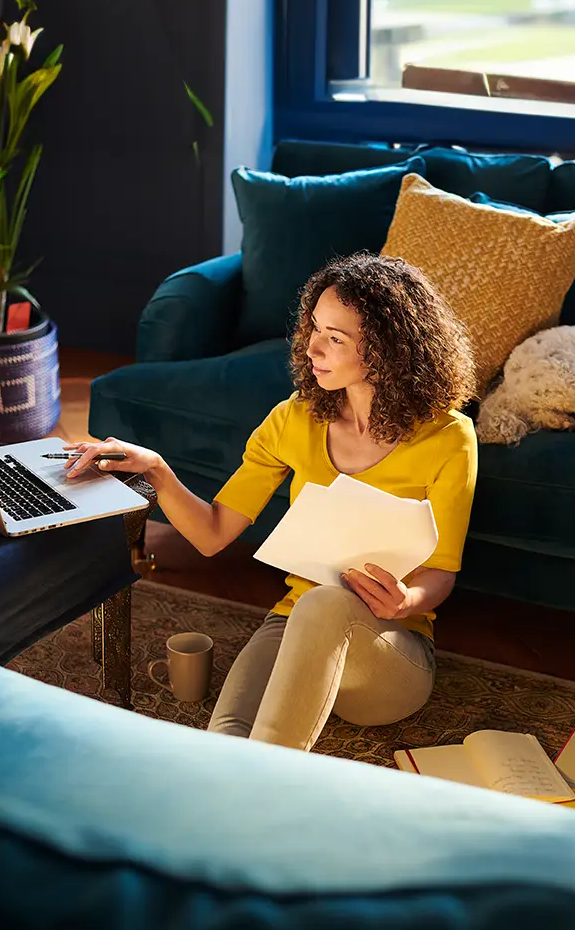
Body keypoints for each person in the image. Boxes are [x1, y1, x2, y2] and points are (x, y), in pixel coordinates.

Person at [63, 253, 478, 750]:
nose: (311, 347)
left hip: (390, 650)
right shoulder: (294, 419)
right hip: (293, 622)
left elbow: (442, 573)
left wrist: (406, 600)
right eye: (314, 328)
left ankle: (269, 789)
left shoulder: (450, 439)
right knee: (227, 739)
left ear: (386, 352)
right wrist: (158, 470)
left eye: (334, 338)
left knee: (328, 602)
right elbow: (213, 533)